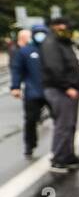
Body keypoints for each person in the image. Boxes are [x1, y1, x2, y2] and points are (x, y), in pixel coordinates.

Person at [39, 17, 79, 174]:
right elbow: (54, 68)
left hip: (67, 89)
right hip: (59, 90)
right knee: (64, 125)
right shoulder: (51, 43)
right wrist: (67, 86)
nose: (67, 28)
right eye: (64, 25)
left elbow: (73, 65)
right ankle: (59, 159)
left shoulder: (62, 41)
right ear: (55, 27)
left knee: (69, 124)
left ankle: (68, 156)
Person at [10, 28, 50, 159]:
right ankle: (29, 146)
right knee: (31, 120)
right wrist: (15, 86)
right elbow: (17, 69)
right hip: (33, 92)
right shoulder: (25, 51)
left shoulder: (50, 49)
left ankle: (62, 149)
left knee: (62, 120)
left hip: (52, 91)